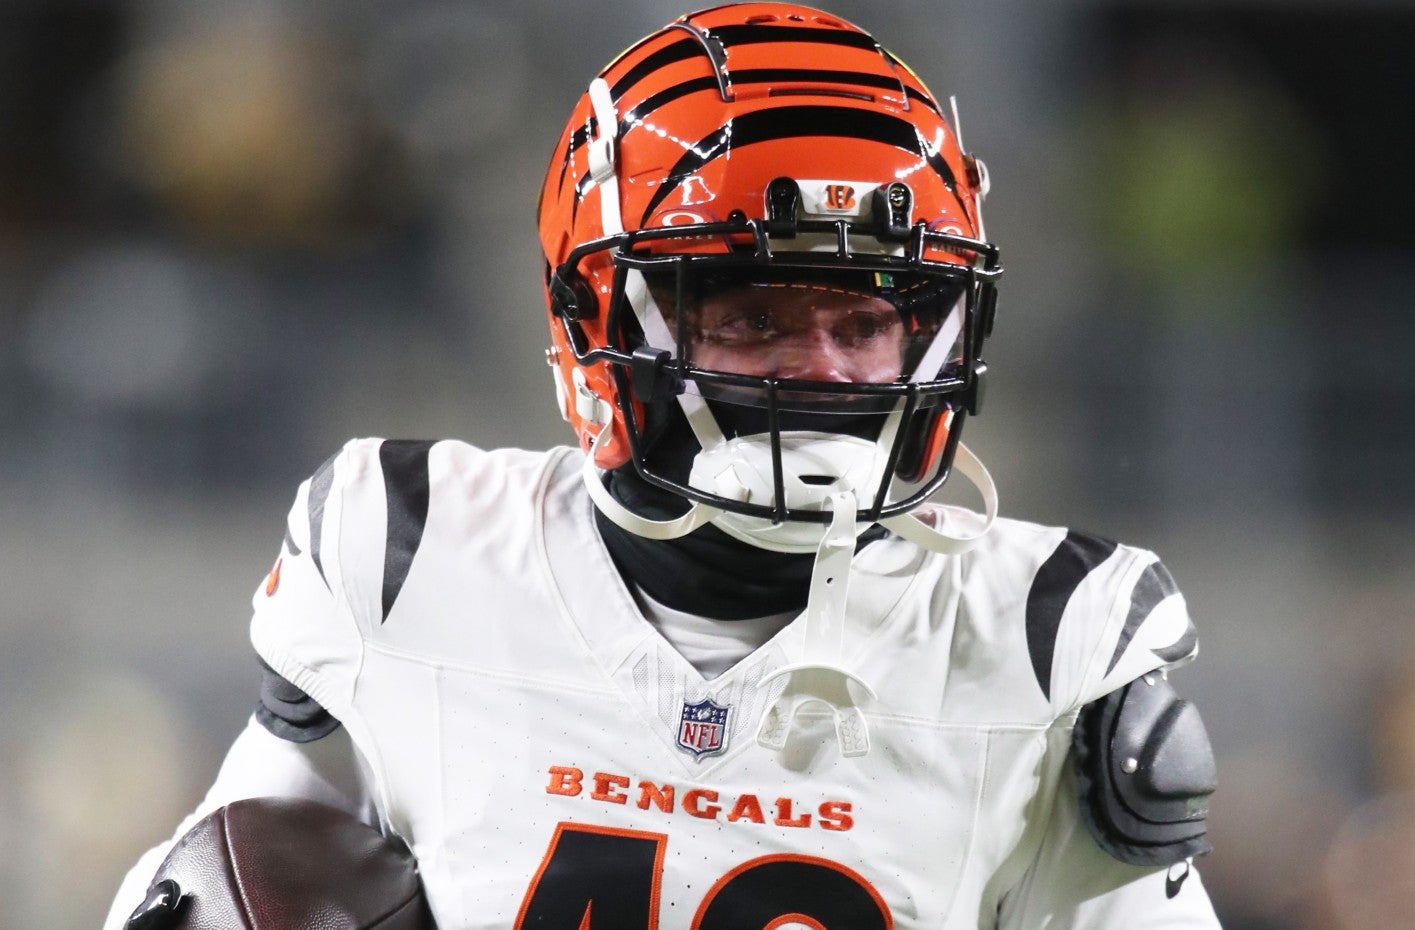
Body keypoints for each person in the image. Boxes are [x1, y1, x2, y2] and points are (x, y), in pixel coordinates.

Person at [106, 4, 1221, 928]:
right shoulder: (406, 558)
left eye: (862, 318)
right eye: (752, 316)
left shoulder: (1039, 643)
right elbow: (225, 880)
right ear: (596, 328)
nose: (821, 373)